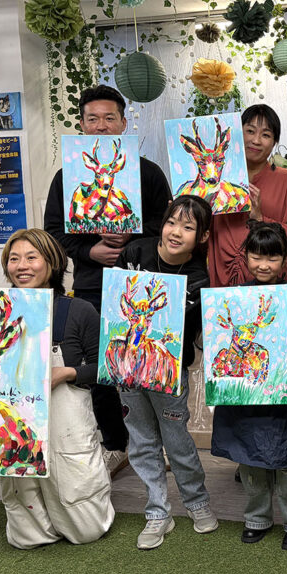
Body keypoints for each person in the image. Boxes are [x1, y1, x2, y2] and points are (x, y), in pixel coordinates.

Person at [43, 84, 172, 475]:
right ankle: (116, 444)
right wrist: (90, 251)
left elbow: (167, 227)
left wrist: (131, 239)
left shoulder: (148, 173)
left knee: (147, 364)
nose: (101, 126)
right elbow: (53, 233)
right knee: (100, 368)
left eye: (109, 118)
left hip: (141, 285)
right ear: (82, 124)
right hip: (91, 287)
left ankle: (158, 445)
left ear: (123, 123)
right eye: (93, 119)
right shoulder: (66, 178)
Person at [0, 228, 114, 548]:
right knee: (26, 534)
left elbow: (108, 368)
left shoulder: (78, 310)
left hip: (66, 418)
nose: (22, 266)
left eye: (31, 257)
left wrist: (67, 373)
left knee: (87, 528)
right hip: (15, 417)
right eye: (14, 259)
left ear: (53, 263)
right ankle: (36, 525)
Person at [116, 196, 219, 549]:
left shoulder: (199, 277)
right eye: (172, 222)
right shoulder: (134, 253)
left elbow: (188, 329)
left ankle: (197, 501)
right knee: (141, 440)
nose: (176, 232)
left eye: (188, 227)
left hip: (168, 372)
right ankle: (157, 512)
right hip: (127, 368)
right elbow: (114, 302)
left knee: (176, 438)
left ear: (202, 236)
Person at [211, 222, 287, 550]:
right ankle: (257, 518)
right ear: (245, 257)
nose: (263, 265)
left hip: (285, 395)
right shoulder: (232, 298)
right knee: (250, 461)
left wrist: (272, 318)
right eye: (256, 257)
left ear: (285, 259)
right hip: (245, 397)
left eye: (272, 258)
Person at [208, 105, 287, 287]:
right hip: (223, 287)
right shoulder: (215, 179)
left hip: (274, 287)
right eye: (250, 131)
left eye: (266, 135)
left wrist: (261, 219)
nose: (256, 140)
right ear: (237, 133)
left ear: (274, 142)